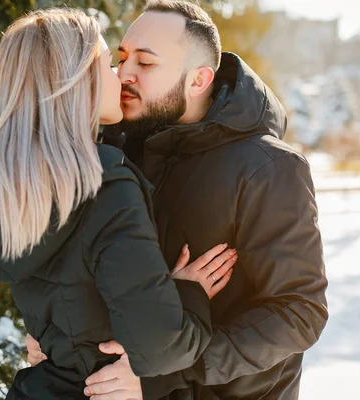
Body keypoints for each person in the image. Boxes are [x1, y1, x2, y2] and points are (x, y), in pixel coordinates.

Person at [0, 8, 238, 400]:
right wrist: (188, 293)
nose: (121, 76)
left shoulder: (14, 182)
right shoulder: (102, 184)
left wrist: (56, 341)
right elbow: (161, 346)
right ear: (76, 82)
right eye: (110, 64)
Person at [42, 1, 326, 399]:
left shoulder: (268, 168)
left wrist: (168, 370)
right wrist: (54, 331)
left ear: (198, 80)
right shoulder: (120, 150)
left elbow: (299, 312)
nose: (124, 74)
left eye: (146, 63)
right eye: (122, 58)